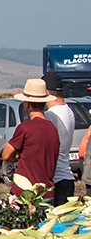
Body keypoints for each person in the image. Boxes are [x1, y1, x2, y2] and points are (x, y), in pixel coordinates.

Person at [2, 78, 59, 199]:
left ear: (27, 104)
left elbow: (6, 155)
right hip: (46, 192)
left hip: (25, 193)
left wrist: (16, 156)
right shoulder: (53, 129)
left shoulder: (25, 128)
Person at [42, 71, 76, 203]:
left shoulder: (51, 115)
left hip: (56, 179)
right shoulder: (69, 111)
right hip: (67, 175)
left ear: (47, 92)